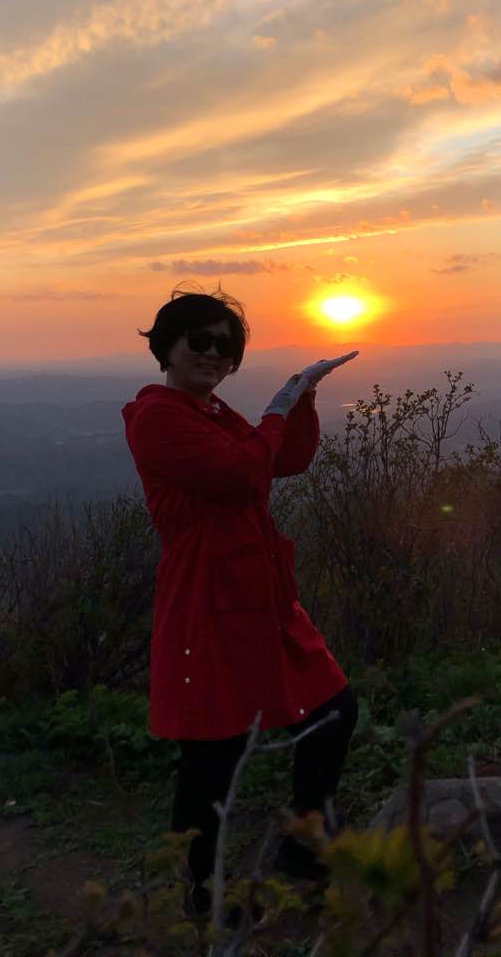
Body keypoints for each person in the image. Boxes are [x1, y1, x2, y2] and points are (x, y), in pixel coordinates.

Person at [122, 286, 360, 917]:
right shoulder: (159, 418)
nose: (213, 353)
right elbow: (240, 474)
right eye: (199, 340)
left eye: (225, 346)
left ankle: (303, 844)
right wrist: (278, 409)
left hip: (262, 596)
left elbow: (286, 461)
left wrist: (300, 401)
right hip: (206, 598)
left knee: (332, 708)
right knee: (212, 751)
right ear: (165, 346)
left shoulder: (213, 413)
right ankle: (200, 896)